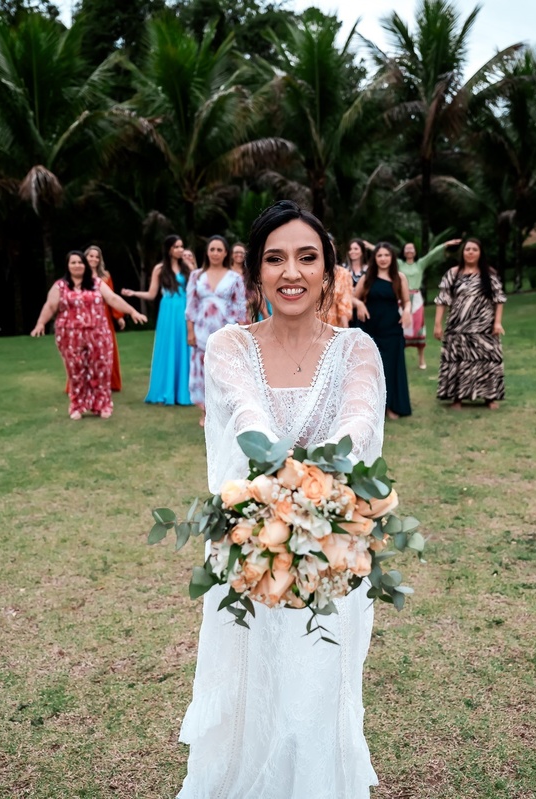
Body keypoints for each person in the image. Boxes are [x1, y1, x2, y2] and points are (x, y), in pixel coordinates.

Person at [179, 200, 385, 799]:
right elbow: (247, 420)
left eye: (306, 257)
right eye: (275, 258)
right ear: (256, 274)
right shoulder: (228, 347)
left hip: (330, 542)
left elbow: (356, 428)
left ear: (328, 271)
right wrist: (285, 498)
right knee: (255, 673)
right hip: (252, 542)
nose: (291, 272)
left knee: (317, 675)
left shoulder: (357, 351)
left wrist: (314, 507)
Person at [31, 251, 146, 419]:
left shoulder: (96, 283)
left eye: (80, 262)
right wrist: (40, 323)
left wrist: (132, 311)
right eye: (73, 262)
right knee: (75, 371)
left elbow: (113, 299)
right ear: (68, 266)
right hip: (69, 336)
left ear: (86, 265)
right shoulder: (60, 286)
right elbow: (50, 306)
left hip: (98, 334)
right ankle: (77, 406)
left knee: (101, 370)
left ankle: (103, 405)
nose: (77, 265)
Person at [433, 237, 508, 409]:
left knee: (487, 359)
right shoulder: (452, 273)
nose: (471, 252)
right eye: (467, 249)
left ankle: (489, 397)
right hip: (457, 327)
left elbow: (499, 299)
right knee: (458, 361)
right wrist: (438, 324)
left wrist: (497, 322)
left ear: (480, 253)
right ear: (463, 252)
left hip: (484, 327)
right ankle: (457, 398)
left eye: (474, 249)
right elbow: (442, 299)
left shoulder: (489, 274)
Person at [123, 235, 193, 405]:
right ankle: (165, 390)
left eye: (181, 246)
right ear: (169, 249)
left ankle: (184, 392)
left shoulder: (188, 267)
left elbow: (196, 289)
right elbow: (152, 294)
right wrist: (134, 294)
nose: (180, 250)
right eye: (176, 246)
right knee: (168, 346)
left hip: (185, 308)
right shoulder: (159, 269)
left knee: (185, 347)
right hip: (168, 311)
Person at [186, 235, 248, 426]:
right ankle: (206, 412)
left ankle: (224, 411)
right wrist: (190, 330)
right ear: (207, 252)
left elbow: (239, 306)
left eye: (219, 250)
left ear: (225, 253)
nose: (215, 253)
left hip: (225, 329)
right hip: (202, 330)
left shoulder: (235, 277)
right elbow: (191, 305)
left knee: (224, 370)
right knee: (203, 371)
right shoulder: (196, 275)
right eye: (212, 249)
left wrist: (241, 330)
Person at [356, 242, 413, 419]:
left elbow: (406, 300)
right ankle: (373, 407)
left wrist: (407, 312)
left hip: (392, 328)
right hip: (371, 327)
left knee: (392, 367)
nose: (383, 259)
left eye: (386, 255)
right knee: (373, 368)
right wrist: (359, 304)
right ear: (375, 258)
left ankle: (392, 406)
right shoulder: (368, 277)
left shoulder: (399, 277)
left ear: (392, 258)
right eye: (379, 255)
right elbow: (351, 296)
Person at [400, 239, 457, 370]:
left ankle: (421, 359)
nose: (409, 250)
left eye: (411, 248)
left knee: (419, 328)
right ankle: (401, 360)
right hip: (402, 298)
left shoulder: (420, 264)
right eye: (407, 248)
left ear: (415, 251)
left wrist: (445, 244)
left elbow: (432, 254)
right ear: (403, 251)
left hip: (417, 299)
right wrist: (366, 245)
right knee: (402, 328)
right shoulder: (399, 264)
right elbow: (382, 251)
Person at [84, 245, 124, 391]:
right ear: (85, 257)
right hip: (85, 316)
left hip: (104, 315)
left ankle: (107, 381)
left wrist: (118, 316)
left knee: (106, 348)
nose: (94, 259)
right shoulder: (79, 275)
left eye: (96, 256)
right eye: (91, 256)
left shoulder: (105, 276)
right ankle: (85, 382)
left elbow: (112, 297)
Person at [230, 241, 268, 322]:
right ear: (231, 254)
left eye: (242, 253)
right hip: (229, 310)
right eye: (236, 252)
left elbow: (255, 292)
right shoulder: (226, 272)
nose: (239, 255)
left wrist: (247, 303)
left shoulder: (248, 273)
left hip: (246, 310)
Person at [344, 238, 372, 323]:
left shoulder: (368, 270)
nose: (352, 251)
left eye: (356, 249)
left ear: (362, 251)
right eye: (350, 249)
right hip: (346, 309)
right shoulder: (343, 269)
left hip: (365, 307)